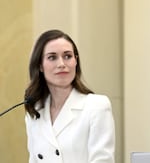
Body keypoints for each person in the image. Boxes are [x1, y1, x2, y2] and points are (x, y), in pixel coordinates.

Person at [24, 29, 115, 163]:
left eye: (67, 56)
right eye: (52, 57)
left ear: (76, 61)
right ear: (40, 66)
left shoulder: (97, 106)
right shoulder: (35, 112)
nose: (61, 64)